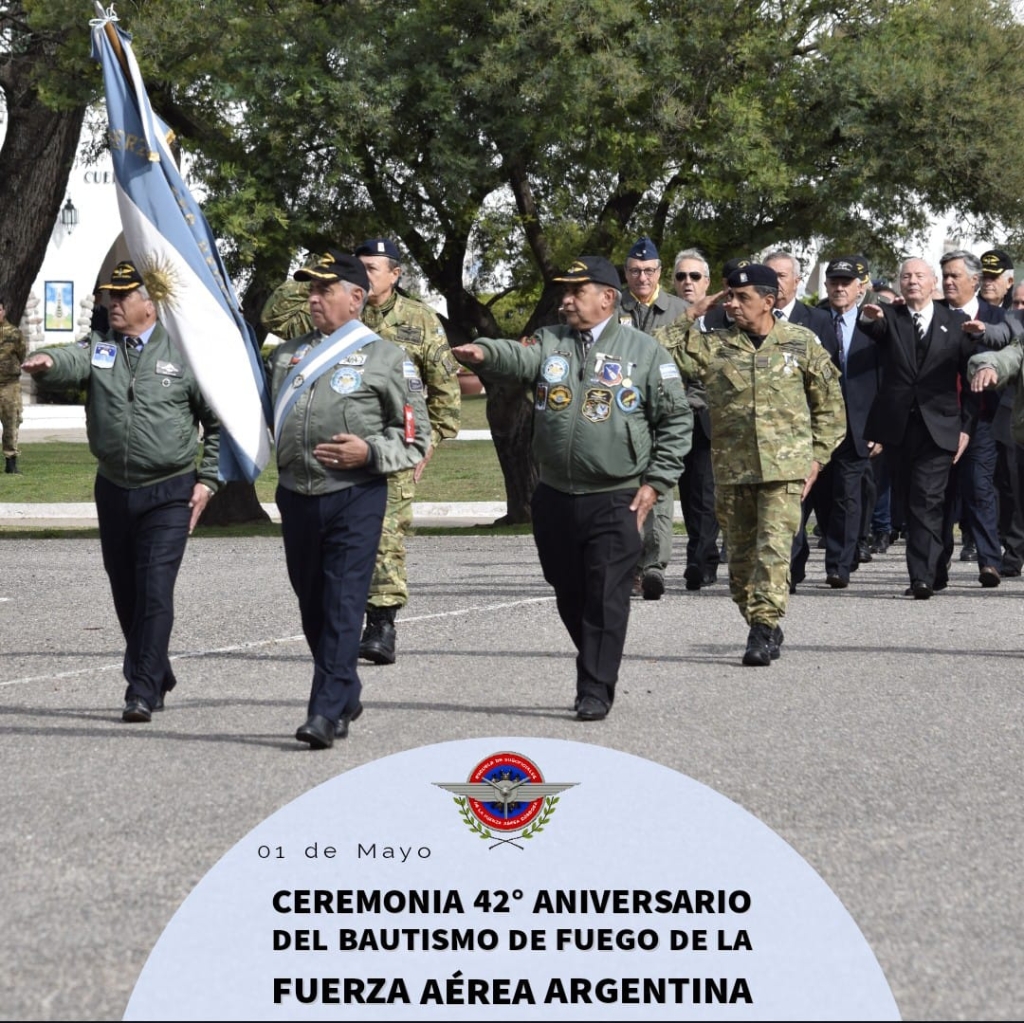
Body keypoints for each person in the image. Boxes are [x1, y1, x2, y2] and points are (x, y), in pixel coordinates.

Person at [452, 256, 692, 721]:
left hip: (617, 495)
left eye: (574, 293)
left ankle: (595, 688)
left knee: (606, 592)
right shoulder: (551, 342)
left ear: (606, 297)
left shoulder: (645, 352)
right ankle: (597, 654)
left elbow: (677, 420)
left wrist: (657, 481)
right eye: (563, 292)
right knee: (567, 589)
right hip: (556, 495)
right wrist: (484, 352)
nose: (564, 301)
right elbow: (518, 357)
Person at [22, 261, 220, 722]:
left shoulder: (184, 354)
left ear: (149, 305)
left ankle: (142, 689)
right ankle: (158, 670)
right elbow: (72, 359)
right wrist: (48, 363)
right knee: (126, 591)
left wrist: (208, 480)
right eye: (110, 295)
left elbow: (216, 424)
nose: (113, 303)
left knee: (154, 590)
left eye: (123, 295)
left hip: (169, 490)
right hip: (113, 488)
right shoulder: (101, 347)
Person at [268, 250, 429, 749]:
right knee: (312, 604)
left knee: (342, 603)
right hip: (296, 494)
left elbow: (415, 436)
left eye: (324, 290)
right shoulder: (284, 356)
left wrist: (369, 451)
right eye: (310, 290)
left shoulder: (387, 358)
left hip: (355, 495)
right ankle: (345, 690)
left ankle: (322, 711)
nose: (313, 299)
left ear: (356, 298)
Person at [657, 263, 846, 666]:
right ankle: (764, 620)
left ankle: (761, 628)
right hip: (733, 471)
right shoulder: (714, 346)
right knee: (740, 566)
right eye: (729, 296)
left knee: (773, 553)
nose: (734, 304)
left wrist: (817, 459)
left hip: (785, 472)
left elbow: (830, 406)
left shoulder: (800, 344)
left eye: (743, 298)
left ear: (769, 301)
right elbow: (658, 353)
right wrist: (692, 313)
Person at [353, 238, 461, 663]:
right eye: (356, 267)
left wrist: (428, 443)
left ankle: (381, 625)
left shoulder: (421, 319)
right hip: (341, 442)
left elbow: (446, 391)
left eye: (372, 268)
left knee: (385, 536)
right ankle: (339, 618)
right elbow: (274, 315)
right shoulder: (340, 311)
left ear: (396, 274)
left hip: (397, 444)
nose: (363, 275)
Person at [858, 258, 977, 598]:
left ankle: (920, 577)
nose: (912, 281)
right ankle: (936, 564)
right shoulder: (890, 317)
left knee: (927, 498)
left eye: (919, 275)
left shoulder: (956, 322)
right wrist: (869, 316)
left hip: (940, 425)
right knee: (911, 500)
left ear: (932, 282)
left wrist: (966, 426)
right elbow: (872, 327)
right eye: (906, 275)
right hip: (897, 427)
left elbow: (969, 380)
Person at [617, 236, 690, 599]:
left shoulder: (680, 310)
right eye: (634, 271)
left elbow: (695, 362)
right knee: (624, 491)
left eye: (648, 270)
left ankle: (654, 567)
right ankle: (629, 564)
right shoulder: (612, 306)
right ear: (626, 273)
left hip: (663, 414)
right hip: (621, 417)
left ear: (659, 272)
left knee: (659, 489)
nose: (641, 277)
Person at [0, 295, 26, 475]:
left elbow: (22, 355)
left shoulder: (14, 333)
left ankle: (11, 462)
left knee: (11, 422)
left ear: (4, 311)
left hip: (9, 384)